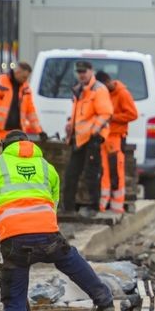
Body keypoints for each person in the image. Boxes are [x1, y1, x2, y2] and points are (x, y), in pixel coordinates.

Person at [0, 130, 116, 311]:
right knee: (69, 258)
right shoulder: (46, 167)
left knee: (14, 297)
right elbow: (53, 204)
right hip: (47, 233)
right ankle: (104, 300)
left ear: (4, 146)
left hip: (14, 239)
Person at [63, 61, 112, 213]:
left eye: (84, 71)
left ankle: (94, 206)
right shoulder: (79, 90)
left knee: (92, 174)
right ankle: (68, 207)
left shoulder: (98, 89)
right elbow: (79, 114)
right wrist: (70, 125)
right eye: (79, 72)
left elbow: (106, 113)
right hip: (79, 139)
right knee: (71, 174)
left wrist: (94, 131)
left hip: (92, 139)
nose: (81, 74)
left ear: (91, 71)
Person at [0, 62, 42, 167]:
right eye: (24, 77)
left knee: (12, 166)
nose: (25, 80)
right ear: (17, 72)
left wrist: (39, 131)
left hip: (15, 134)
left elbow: (30, 111)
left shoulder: (25, 88)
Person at [96, 71, 138, 214]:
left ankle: (116, 206)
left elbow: (132, 114)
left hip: (116, 137)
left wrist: (112, 117)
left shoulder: (122, 94)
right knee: (104, 172)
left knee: (115, 171)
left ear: (108, 82)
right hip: (105, 137)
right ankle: (103, 204)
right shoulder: (105, 93)